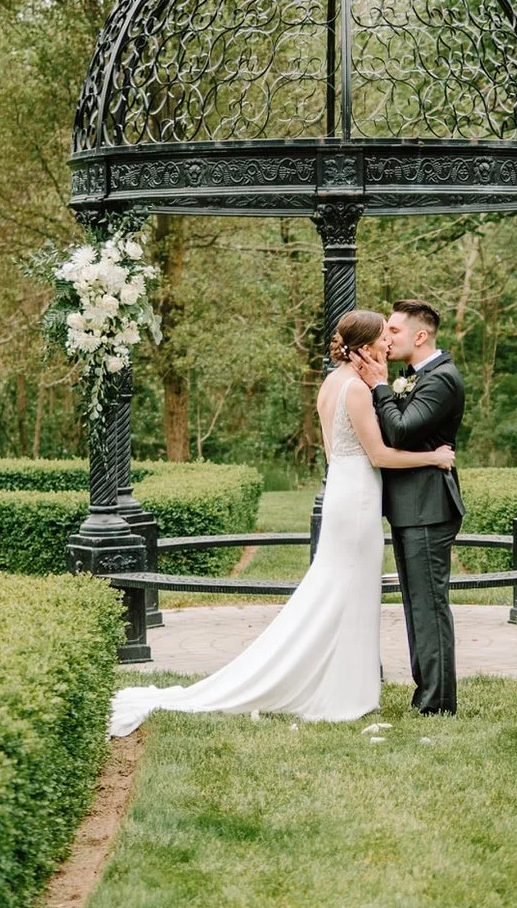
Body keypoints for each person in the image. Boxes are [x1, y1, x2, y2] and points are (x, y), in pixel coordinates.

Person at [110, 310, 455, 735]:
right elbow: (381, 455)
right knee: (347, 590)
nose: (388, 344)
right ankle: (342, 690)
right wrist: (434, 456)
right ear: (365, 347)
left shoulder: (331, 384)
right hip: (359, 496)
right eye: (384, 337)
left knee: (341, 589)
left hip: (344, 488)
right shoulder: (357, 391)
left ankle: (344, 682)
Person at [369, 299, 466, 716]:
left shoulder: (441, 379)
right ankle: (426, 693)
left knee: (429, 606)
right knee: (416, 605)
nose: (386, 338)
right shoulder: (413, 377)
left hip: (429, 506)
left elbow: (402, 431)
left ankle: (437, 703)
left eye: (393, 331)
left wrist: (379, 388)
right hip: (412, 507)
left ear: (419, 336)